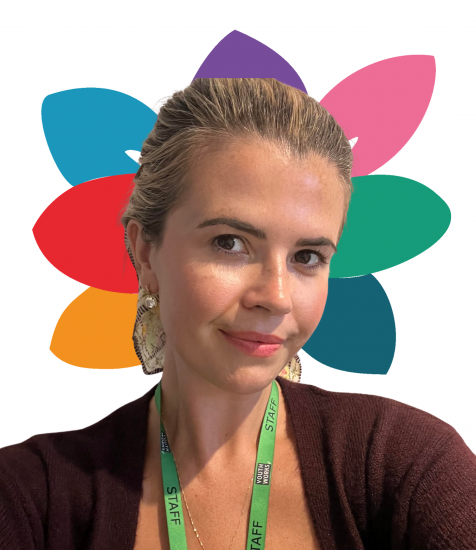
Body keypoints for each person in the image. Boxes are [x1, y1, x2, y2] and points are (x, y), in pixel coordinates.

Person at [1, 78, 475, 550]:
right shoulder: (29, 496)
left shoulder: (407, 464)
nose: (277, 297)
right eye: (229, 243)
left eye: (307, 256)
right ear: (146, 253)